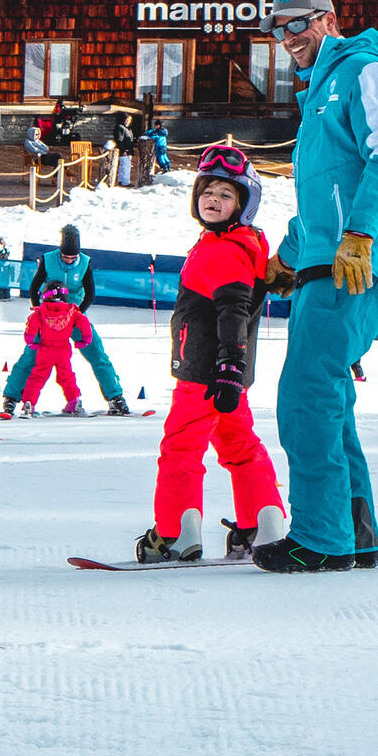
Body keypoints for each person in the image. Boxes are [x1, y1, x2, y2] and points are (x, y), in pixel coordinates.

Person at [254, 0, 378, 573]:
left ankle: (321, 539)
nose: (288, 38)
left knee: (305, 394)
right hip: (323, 266)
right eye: (278, 29)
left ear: (327, 19)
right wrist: (286, 260)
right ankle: (355, 531)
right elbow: (323, 198)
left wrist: (362, 233)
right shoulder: (317, 95)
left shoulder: (363, 68)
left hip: (356, 265)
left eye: (297, 24)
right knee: (329, 400)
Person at [136, 145, 285, 564]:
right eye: (207, 191)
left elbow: (233, 310)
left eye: (225, 194)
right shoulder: (236, 243)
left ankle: (174, 535)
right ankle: (262, 524)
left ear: (244, 205)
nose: (212, 200)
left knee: (180, 449)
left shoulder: (222, 249)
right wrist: (233, 374)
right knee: (240, 445)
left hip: (204, 373)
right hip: (224, 378)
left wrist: (226, 367)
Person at [0, 224, 130, 416]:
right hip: (49, 316)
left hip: (74, 314)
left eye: (72, 258)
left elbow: (90, 293)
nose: (69, 261)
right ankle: (11, 398)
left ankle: (115, 398)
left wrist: (77, 315)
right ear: (60, 252)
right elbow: (35, 286)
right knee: (30, 356)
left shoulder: (85, 262)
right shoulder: (48, 260)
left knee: (97, 354)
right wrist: (39, 311)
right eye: (65, 257)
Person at [19, 281, 92, 416]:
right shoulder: (72, 311)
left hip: (45, 349)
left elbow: (31, 326)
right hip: (63, 349)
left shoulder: (40, 312)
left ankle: (29, 402)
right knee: (67, 377)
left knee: (38, 377)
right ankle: (73, 401)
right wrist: (85, 339)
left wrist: (30, 341)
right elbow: (84, 322)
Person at [114, 113, 134, 186]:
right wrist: (124, 150)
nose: (129, 121)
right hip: (124, 150)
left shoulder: (127, 128)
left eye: (129, 120)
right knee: (125, 166)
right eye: (127, 119)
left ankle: (121, 180)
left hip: (127, 150)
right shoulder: (120, 128)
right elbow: (119, 140)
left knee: (123, 166)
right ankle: (125, 182)